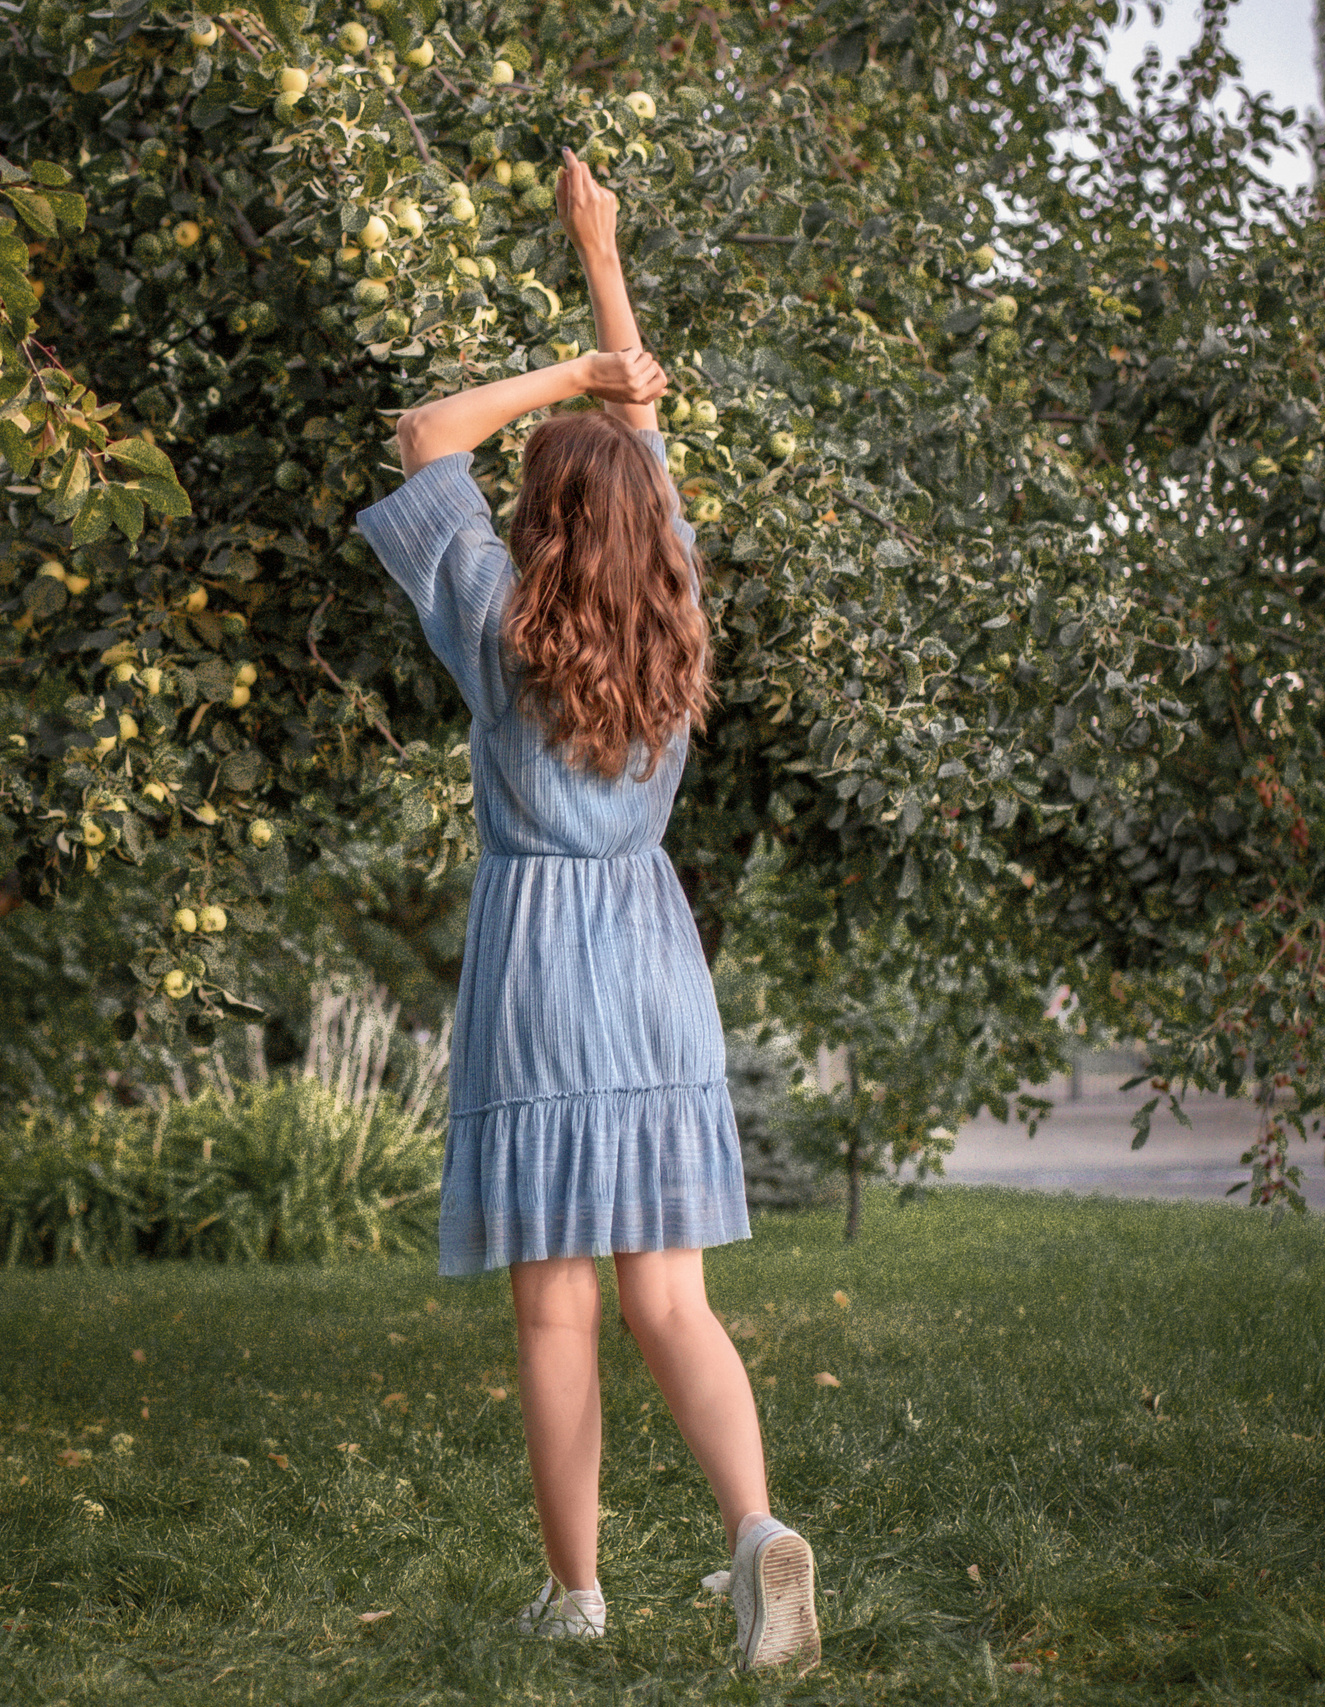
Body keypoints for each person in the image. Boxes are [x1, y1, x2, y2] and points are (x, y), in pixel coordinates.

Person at [352, 153, 819, 1671]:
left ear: (543, 521)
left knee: (558, 1306)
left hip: (544, 959)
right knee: (669, 1297)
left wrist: (570, 361)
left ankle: (577, 1596)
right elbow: (646, 451)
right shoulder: (672, 606)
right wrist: (607, 281)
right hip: (653, 953)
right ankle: (757, 1536)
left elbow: (424, 437)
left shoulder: (501, 620)